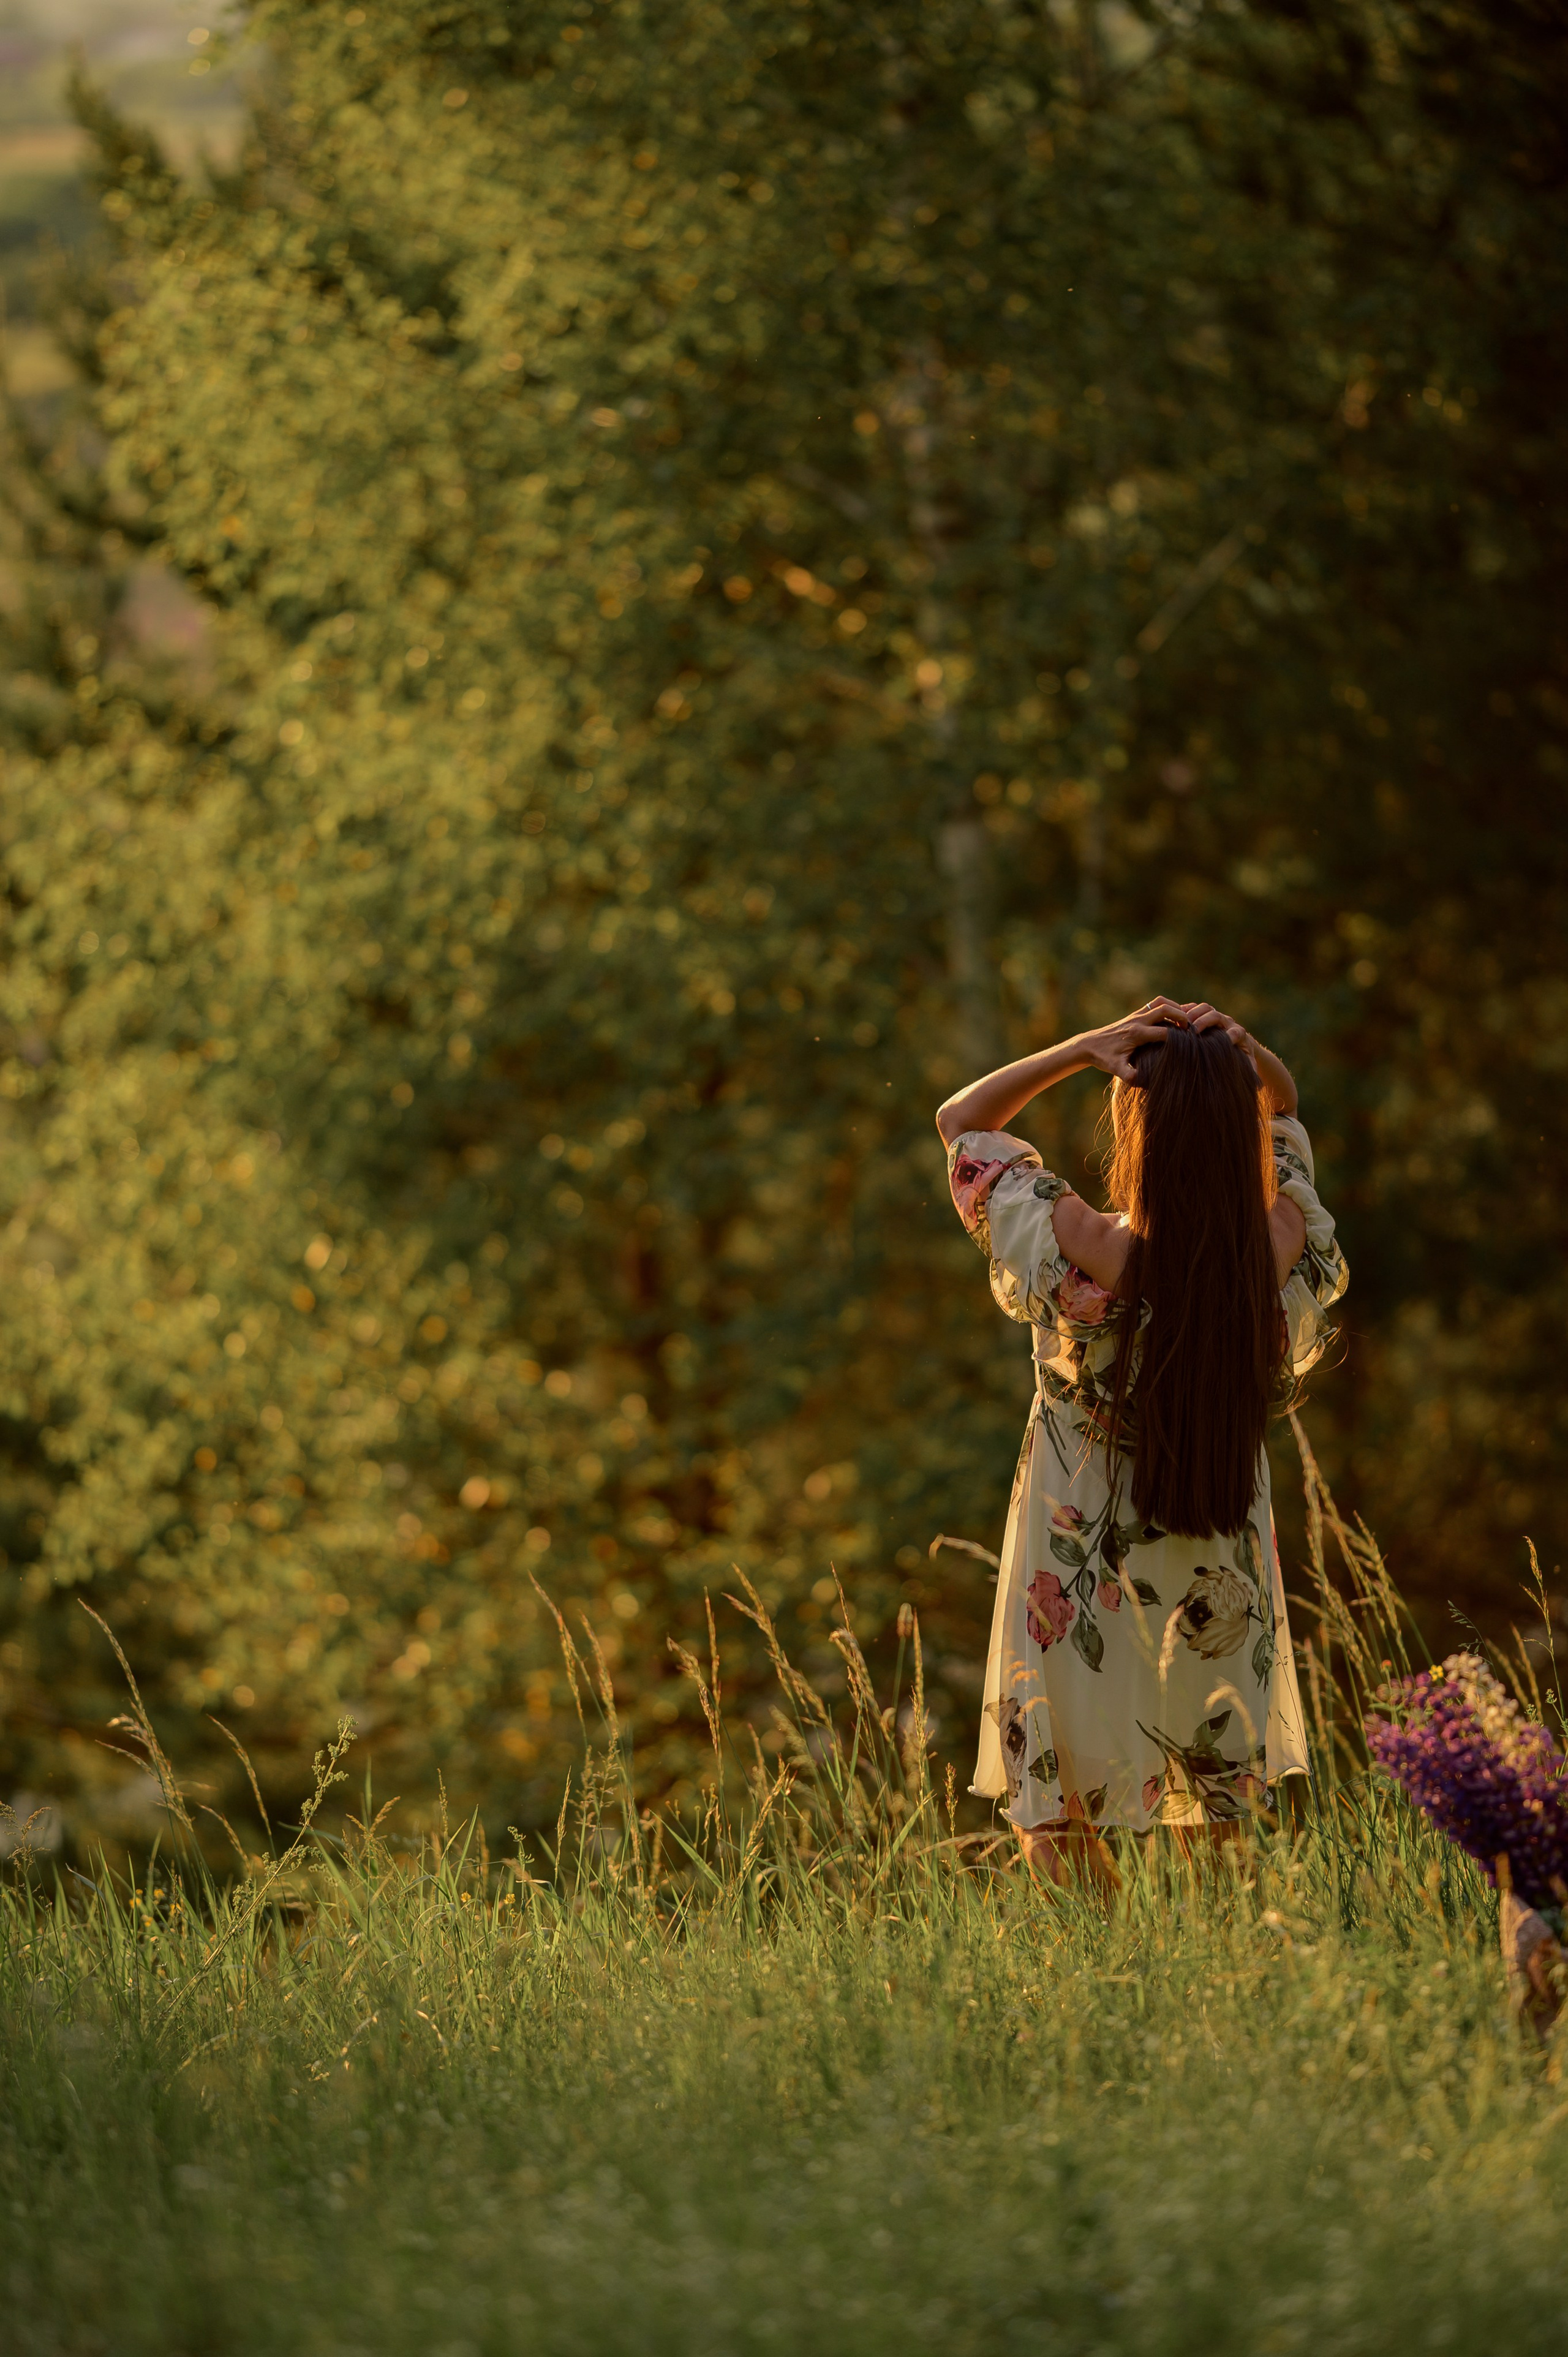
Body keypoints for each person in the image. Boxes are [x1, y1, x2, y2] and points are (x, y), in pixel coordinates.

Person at [935, 998, 1348, 1886]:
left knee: (1058, 1813)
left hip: (1071, 1560)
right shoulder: (1287, 1244)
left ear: (1139, 1130)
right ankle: (1216, 1997)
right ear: (1239, 1133)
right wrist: (1249, 1053)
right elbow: (1289, 1111)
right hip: (1217, 1562)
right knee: (1219, 1816)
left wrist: (1084, 1049)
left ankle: (1110, 1980)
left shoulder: (1071, 1244)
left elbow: (962, 1121)